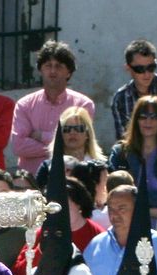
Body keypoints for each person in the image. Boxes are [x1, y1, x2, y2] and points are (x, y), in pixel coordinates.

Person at [10, 40, 95, 177]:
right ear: (40, 70)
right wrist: (61, 145)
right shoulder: (24, 105)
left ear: (69, 72)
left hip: (70, 181)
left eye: (59, 66)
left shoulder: (83, 105)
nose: (53, 71)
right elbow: (18, 146)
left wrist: (41, 136)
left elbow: (80, 143)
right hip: (31, 181)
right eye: (48, 65)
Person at [107, 96, 157, 205]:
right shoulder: (120, 152)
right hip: (128, 219)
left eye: (154, 117)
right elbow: (114, 191)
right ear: (136, 120)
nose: (148, 121)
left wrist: (139, 203)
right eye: (143, 116)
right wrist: (152, 208)